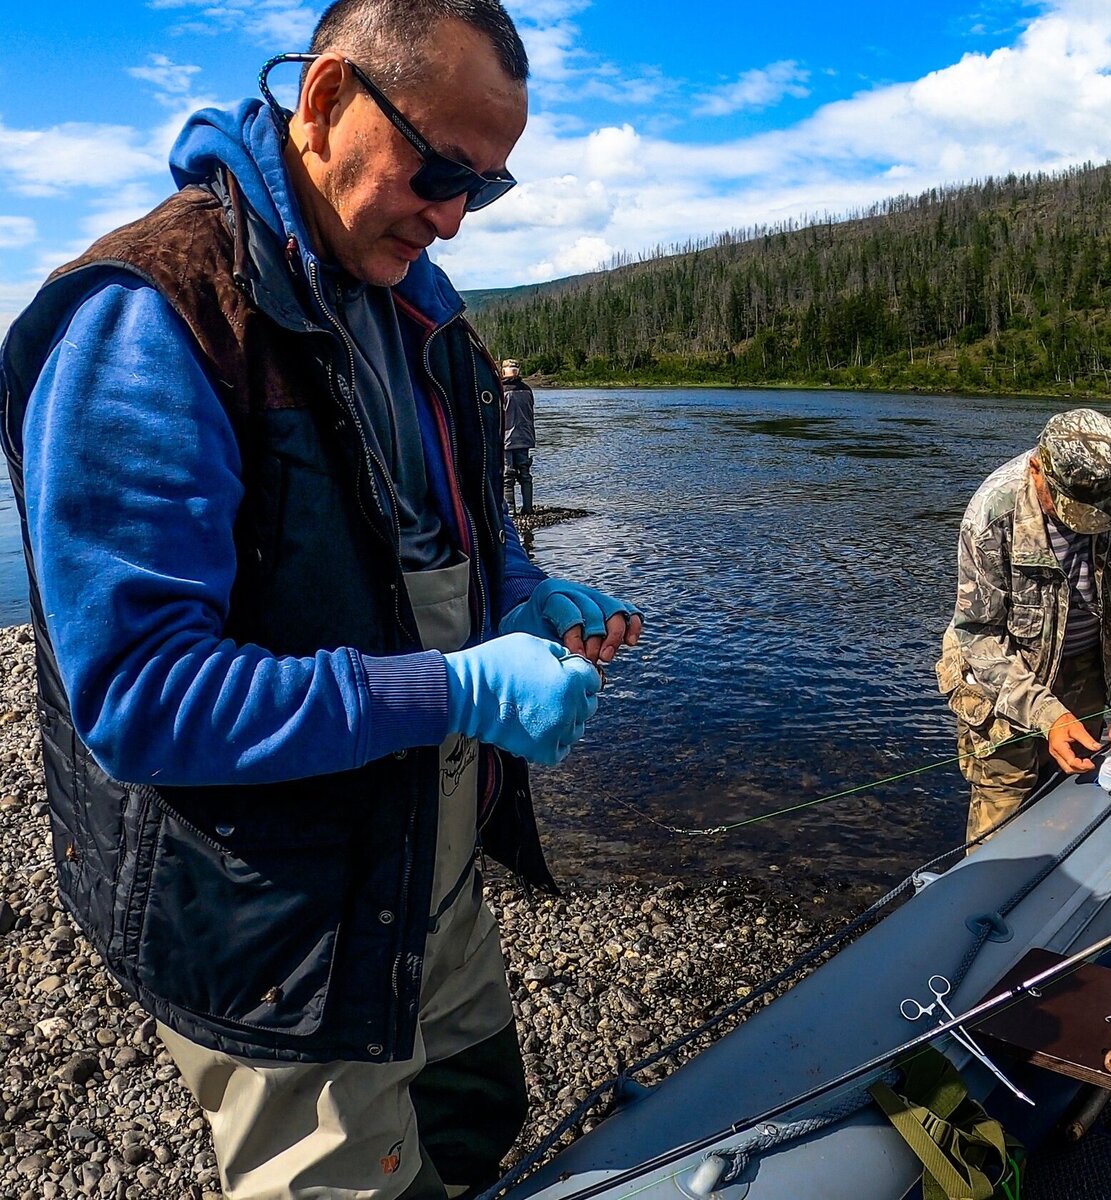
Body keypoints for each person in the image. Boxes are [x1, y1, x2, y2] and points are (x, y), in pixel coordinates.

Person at [0, 2, 644, 1198]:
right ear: (328, 99)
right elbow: (137, 697)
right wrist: (453, 687)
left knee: (473, 1109)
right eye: (439, 169)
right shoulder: (148, 315)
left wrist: (524, 592)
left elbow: (463, 524)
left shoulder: (424, 310)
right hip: (273, 922)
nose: (452, 216)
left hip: (422, 871)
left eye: (485, 190)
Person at [937, 408, 1111, 844]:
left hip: (1086, 668)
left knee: (1074, 794)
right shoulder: (992, 513)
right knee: (1003, 807)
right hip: (1000, 681)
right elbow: (979, 634)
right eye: (1073, 509)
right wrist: (1048, 715)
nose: (1088, 522)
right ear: (1037, 469)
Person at [500, 358, 535, 515]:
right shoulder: (527, 389)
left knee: (507, 475)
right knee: (525, 474)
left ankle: (510, 511)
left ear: (503, 371)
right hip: (525, 437)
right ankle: (528, 508)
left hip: (506, 438)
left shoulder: (501, 390)